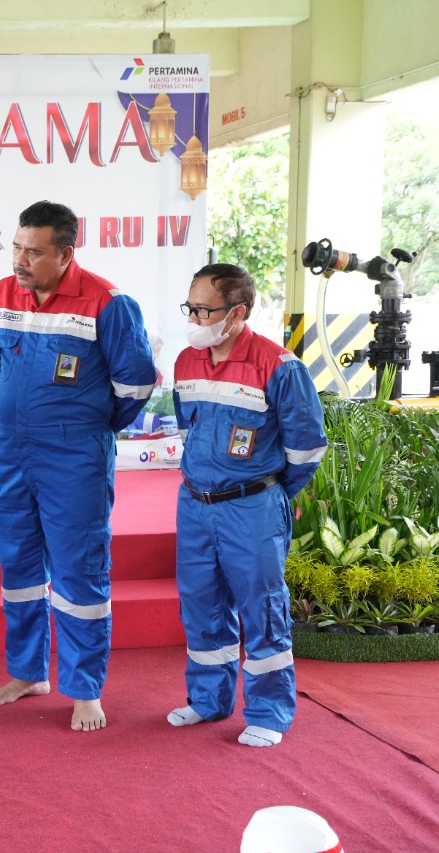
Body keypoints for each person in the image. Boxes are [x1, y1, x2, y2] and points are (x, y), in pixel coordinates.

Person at [0, 200, 157, 731]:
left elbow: (135, 386)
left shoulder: (108, 303)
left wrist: (84, 424)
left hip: (73, 456)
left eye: (33, 252)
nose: (20, 260)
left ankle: (84, 689)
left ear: (65, 253)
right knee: (18, 567)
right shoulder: (1, 295)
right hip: (11, 451)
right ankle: (29, 672)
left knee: (79, 570)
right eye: (15, 247)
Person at [167, 263, 326, 747]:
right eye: (190, 307)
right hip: (195, 505)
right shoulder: (186, 362)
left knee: (263, 610)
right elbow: (187, 433)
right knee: (201, 607)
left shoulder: (279, 366)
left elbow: (305, 452)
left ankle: (269, 711)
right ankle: (209, 701)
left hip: (252, 508)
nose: (194, 317)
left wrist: (265, 493)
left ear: (237, 312)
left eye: (204, 309)